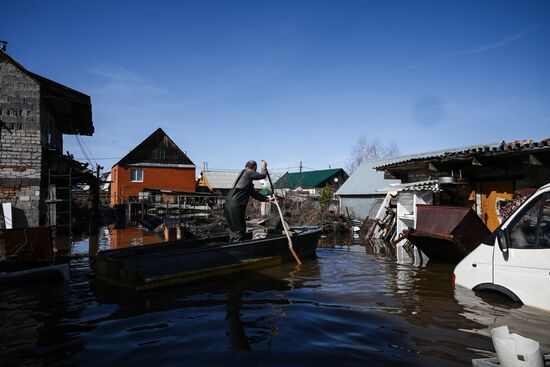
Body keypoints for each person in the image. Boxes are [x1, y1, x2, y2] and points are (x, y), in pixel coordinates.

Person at [224, 159, 276, 242]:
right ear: (254, 168)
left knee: (234, 229)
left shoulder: (244, 179)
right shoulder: (248, 172)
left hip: (228, 203)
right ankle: (238, 250)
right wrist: (263, 167)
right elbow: (263, 175)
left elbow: (254, 193)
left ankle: (233, 243)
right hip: (236, 204)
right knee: (239, 230)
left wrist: (268, 199)